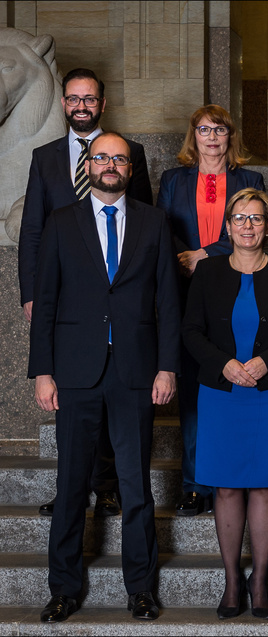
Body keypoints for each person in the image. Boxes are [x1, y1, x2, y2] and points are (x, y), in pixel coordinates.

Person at [29, 132, 180, 623]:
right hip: (74, 371)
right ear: (87, 166)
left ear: (130, 168)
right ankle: (64, 588)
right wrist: (43, 372)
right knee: (72, 482)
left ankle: (140, 588)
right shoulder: (60, 223)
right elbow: (46, 302)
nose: (110, 164)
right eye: (101, 158)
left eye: (119, 158)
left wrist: (167, 365)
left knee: (135, 485)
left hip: (137, 370)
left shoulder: (155, 222)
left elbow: (168, 302)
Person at [18, 67, 153, 518]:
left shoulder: (127, 154)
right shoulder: (46, 157)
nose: (81, 105)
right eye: (73, 98)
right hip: (68, 297)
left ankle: (108, 485)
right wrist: (31, 292)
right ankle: (72, 488)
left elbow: (143, 223)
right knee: (76, 398)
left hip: (119, 299)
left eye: (89, 99)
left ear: (102, 102)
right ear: (62, 103)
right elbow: (33, 231)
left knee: (115, 396)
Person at [183, 188, 268, 620]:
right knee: (225, 486)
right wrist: (225, 365)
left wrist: (264, 362)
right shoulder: (208, 271)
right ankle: (231, 580)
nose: (248, 226)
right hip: (222, 393)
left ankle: (259, 579)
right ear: (228, 225)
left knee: (264, 484)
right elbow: (191, 332)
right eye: (240, 218)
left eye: (256, 219)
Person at [158, 105, 265, 517]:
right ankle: (194, 484)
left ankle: (234, 475)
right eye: (204, 129)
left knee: (235, 386)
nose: (212, 136)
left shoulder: (248, 180)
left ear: (230, 135)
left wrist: (204, 253)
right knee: (193, 395)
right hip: (185, 292)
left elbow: (254, 227)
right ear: (193, 135)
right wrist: (183, 259)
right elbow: (159, 229)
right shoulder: (173, 180)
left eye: (220, 128)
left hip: (233, 287)